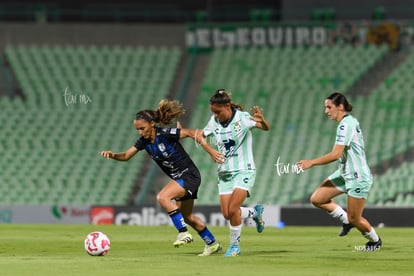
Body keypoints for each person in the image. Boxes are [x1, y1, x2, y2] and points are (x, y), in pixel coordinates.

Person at [100, 99, 222, 256]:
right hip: (182, 178)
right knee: (188, 216)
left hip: (188, 175)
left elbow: (193, 133)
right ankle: (212, 243)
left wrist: (211, 151)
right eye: (137, 129)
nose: (140, 132)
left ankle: (183, 233)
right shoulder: (143, 142)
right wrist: (113, 155)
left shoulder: (165, 134)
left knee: (163, 197)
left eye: (142, 128)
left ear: (151, 123)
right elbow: (126, 156)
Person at [298, 92, 382, 251]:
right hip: (344, 174)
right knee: (317, 199)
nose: (326, 111)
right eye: (325, 108)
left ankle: (375, 241)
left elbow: (336, 154)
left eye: (329, 107)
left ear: (340, 107)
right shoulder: (347, 122)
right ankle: (346, 220)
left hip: (358, 177)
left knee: (355, 218)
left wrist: (311, 162)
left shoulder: (346, 125)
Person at [196, 89, 270, 257]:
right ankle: (255, 213)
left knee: (232, 209)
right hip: (224, 173)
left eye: (217, 111)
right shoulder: (213, 121)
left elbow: (265, 128)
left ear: (227, 106)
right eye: (213, 112)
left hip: (244, 169)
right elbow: (200, 135)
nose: (215, 115)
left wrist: (262, 120)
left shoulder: (242, 118)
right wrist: (210, 150)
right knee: (227, 213)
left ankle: (234, 246)